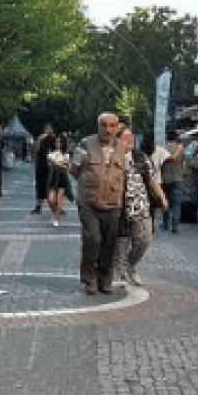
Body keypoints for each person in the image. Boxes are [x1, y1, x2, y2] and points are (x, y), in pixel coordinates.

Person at [69, 112, 128, 295]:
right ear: (98, 126)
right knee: (92, 239)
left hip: (113, 202)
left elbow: (125, 174)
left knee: (109, 243)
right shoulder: (85, 144)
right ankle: (90, 278)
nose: (108, 130)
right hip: (89, 202)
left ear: (118, 127)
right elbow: (74, 170)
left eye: (112, 126)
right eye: (104, 125)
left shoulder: (123, 147)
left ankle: (105, 279)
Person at [114, 126, 167, 287]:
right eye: (124, 137)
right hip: (120, 207)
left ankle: (130, 265)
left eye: (131, 137)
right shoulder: (112, 158)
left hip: (141, 205)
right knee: (121, 243)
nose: (129, 140)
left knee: (144, 239)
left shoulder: (141, 157)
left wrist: (162, 197)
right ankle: (122, 272)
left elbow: (152, 179)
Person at [159, 135, 187, 233]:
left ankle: (165, 224)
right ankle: (175, 226)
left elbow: (160, 163)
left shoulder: (163, 148)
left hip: (166, 179)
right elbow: (184, 163)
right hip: (178, 179)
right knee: (176, 204)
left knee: (166, 202)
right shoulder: (181, 149)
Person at [46, 134, 72, 227]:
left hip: (62, 177)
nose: (58, 144)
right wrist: (60, 164)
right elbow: (51, 163)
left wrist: (58, 164)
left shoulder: (66, 154)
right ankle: (54, 213)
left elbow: (67, 167)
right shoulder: (51, 153)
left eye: (60, 142)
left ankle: (56, 218)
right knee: (51, 200)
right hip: (53, 177)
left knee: (59, 199)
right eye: (57, 142)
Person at [31, 124, 54, 214]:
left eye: (49, 129)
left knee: (51, 186)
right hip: (41, 165)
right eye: (46, 129)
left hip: (51, 165)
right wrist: (39, 140)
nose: (47, 131)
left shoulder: (53, 140)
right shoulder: (41, 139)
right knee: (40, 185)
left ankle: (54, 206)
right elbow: (34, 150)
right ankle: (39, 206)